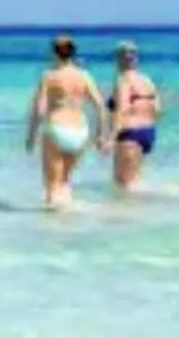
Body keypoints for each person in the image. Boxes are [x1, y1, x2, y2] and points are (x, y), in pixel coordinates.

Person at [24, 33, 106, 211]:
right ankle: (69, 223)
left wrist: (31, 136)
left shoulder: (49, 76)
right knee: (65, 180)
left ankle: (53, 229)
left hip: (57, 128)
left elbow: (39, 109)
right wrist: (100, 135)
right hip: (80, 131)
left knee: (52, 185)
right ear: (73, 53)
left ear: (54, 53)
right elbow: (100, 105)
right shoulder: (84, 76)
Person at [104, 40, 161, 192]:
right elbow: (157, 109)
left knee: (122, 186)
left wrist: (111, 138)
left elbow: (122, 109)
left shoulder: (123, 80)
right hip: (148, 132)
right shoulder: (147, 81)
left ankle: (124, 215)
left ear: (119, 60)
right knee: (134, 183)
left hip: (129, 133)